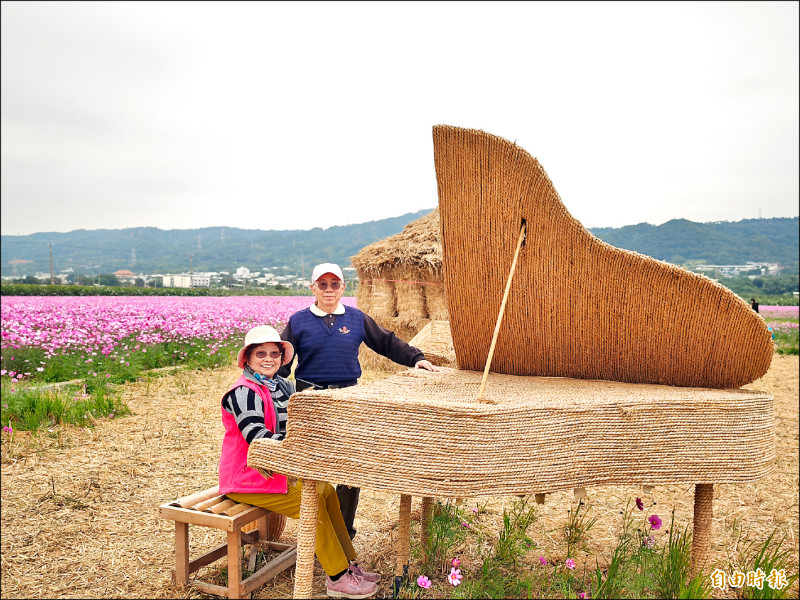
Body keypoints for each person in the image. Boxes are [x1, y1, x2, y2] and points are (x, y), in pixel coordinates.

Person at [278, 262, 440, 539]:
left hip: (348, 397)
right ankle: (316, 530)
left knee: (351, 467)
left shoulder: (355, 318)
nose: (328, 290)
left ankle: (343, 532)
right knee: (315, 466)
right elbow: (282, 363)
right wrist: (266, 386)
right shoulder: (298, 321)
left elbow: (386, 342)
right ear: (312, 288)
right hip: (310, 399)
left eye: (334, 284)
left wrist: (417, 358)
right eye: (322, 284)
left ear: (343, 287)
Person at [220, 325, 380, 599]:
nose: (268, 358)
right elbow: (257, 438)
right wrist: (300, 452)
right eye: (261, 353)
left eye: (274, 353)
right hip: (247, 477)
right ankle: (337, 577)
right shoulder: (243, 392)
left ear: (283, 358)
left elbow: (296, 425)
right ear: (247, 358)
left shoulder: (283, 385)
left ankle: (348, 563)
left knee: (326, 490)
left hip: (274, 471)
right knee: (312, 503)